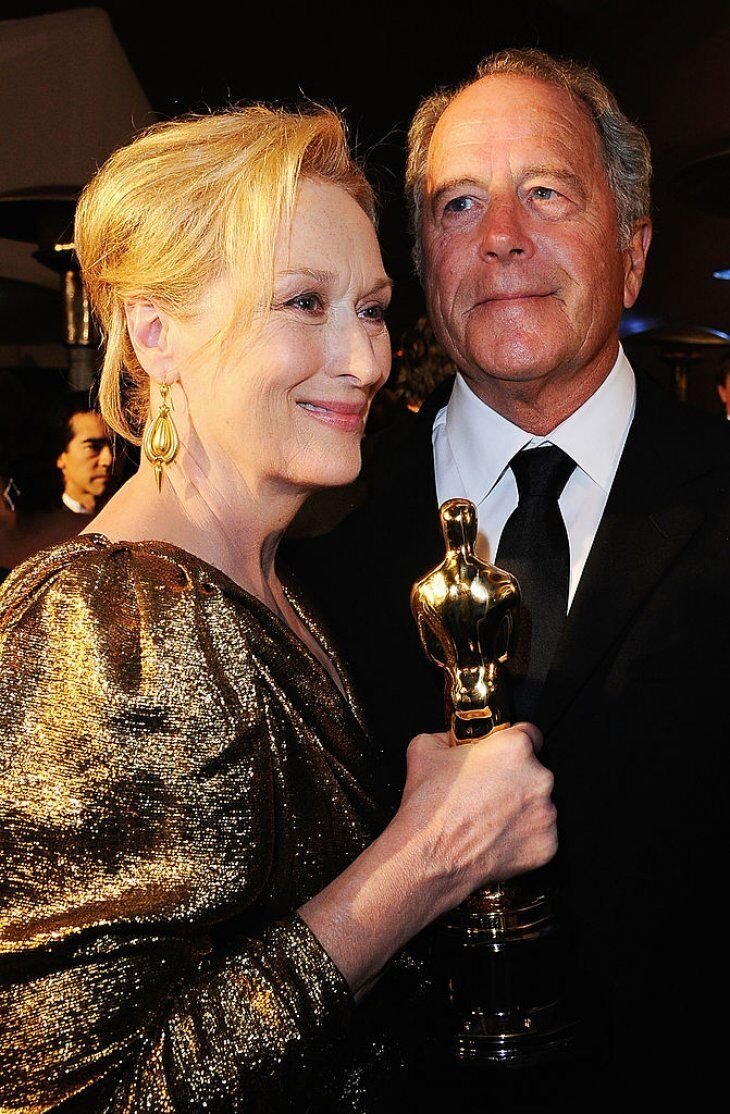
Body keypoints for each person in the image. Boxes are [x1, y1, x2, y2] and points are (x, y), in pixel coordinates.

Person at [0, 105, 558, 1112]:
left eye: (376, 309)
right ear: (155, 331)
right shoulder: (103, 626)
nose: (366, 361)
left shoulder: (277, 582)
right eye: (303, 302)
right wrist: (423, 861)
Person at [289, 49, 730, 1104]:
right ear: (419, 261)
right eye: (458, 204)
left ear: (631, 251)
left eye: (545, 192)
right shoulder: (309, 543)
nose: (500, 237)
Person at [54, 392, 115, 515]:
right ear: (61, 455)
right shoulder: (44, 527)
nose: (108, 460)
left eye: (116, 447)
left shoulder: (136, 522)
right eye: (93, 447)